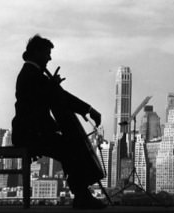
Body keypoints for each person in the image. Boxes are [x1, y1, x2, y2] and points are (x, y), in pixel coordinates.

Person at [11, 35, 106, 209]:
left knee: (68, 147)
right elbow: (46, 99)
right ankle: (82, 196)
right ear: (37, 52)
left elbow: (53, 96)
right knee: (70, 148)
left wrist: (52, 87)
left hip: (33, 132)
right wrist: (88, 109)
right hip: (30, 134)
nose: (49, 58)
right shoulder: (31, 75)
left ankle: (82, 195)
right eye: (47, 53)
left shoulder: (34, 74)